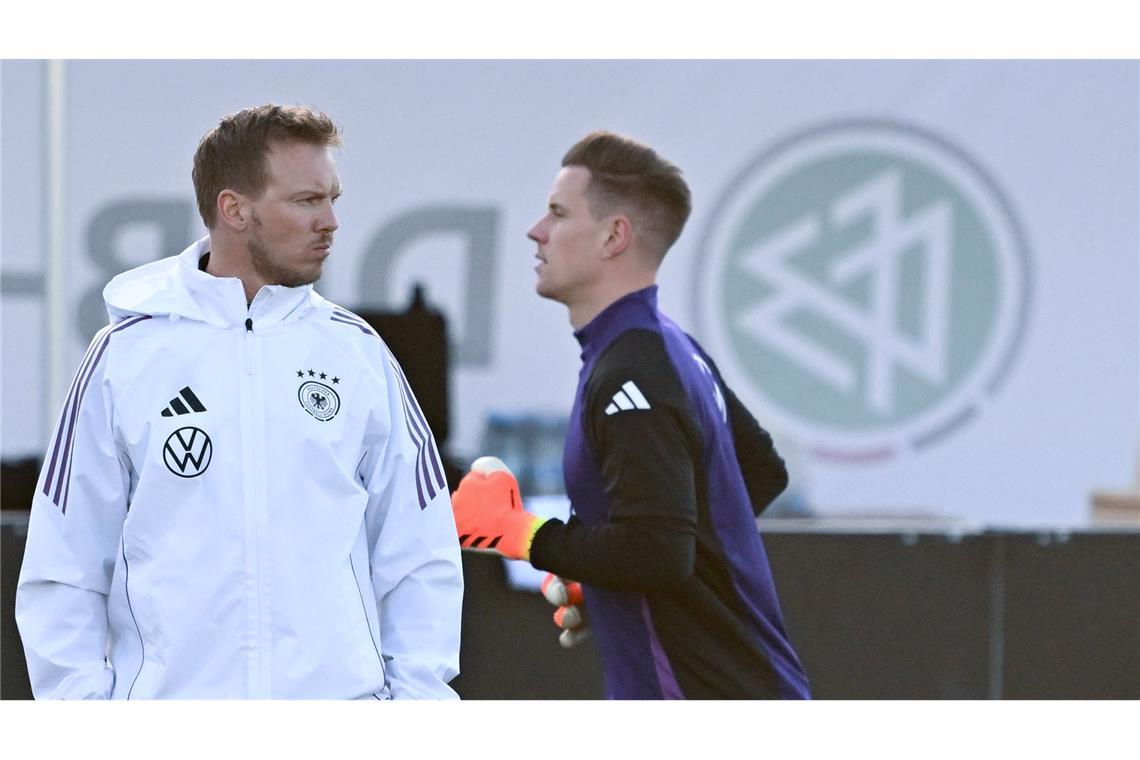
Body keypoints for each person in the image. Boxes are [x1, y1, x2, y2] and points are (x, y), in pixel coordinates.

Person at [16, 104, 463, 700]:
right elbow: (62, 568)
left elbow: (421, 554)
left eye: (333, 198)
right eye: (307, 201)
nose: (330, 221)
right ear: (234, 209)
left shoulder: (358, 355)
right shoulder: (124, 356)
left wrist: (414, 708)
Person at [452, 131, 811, 699]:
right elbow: (756, 474)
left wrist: (522, 534)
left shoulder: (634, 368)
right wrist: (608, 582)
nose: (536, 231)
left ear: (613, 236)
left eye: (557, 213)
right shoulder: (665, 347)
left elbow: (657, 552)